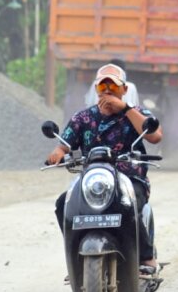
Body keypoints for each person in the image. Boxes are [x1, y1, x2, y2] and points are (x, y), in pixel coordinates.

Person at [48, 63, 163, 273]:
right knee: (63, 204)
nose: (108, 90)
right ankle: (76, 256)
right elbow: (63, 144)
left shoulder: (136, 113)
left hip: (129, 179)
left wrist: (125, 109)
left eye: (113, 86)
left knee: (129, 204)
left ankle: (146, 258)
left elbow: (155, 136)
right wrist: (57, 154)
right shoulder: (83, 118)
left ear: (124, 89)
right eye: (103, 87)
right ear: (96, 89)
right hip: (93, 182)